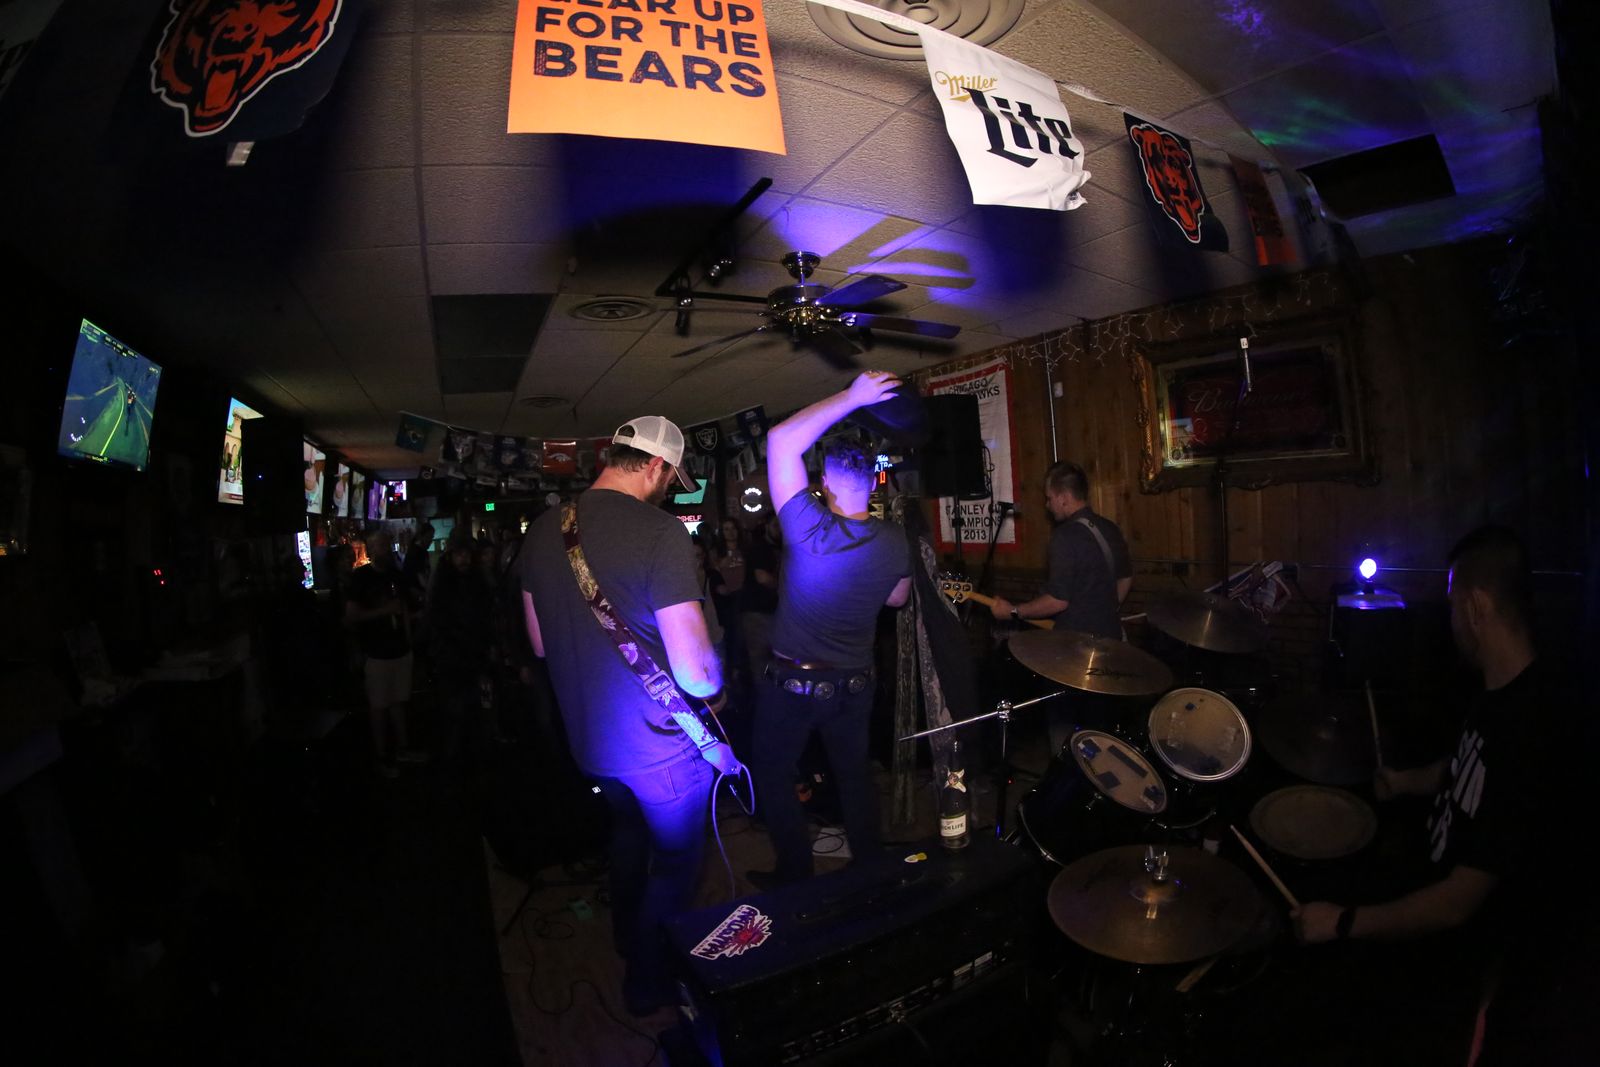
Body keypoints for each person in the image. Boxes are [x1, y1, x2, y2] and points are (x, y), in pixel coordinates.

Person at [1290, 526, 1586, 1065]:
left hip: (1458, 957)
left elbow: (1457, 904)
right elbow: (1466, 765)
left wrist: (1342, 922)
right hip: (1425, 885)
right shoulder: (1502, 691)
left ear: (1476, 607)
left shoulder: (1534, 731)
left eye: (1453, 605)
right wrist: (1408, 781)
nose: (1450, 620)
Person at [519, 415, 739, 1017]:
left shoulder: (545, 527)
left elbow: (539, 642)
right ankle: (646, 982)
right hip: (660, 746)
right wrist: (719, 683)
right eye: (671, 477)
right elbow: (697, 675)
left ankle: (625, 935)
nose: (669, 489)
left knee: (626, 835)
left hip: (591, 745)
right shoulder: (661, 532)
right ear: (656, 466)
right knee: (676, 865)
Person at [747, 371, 912, 889]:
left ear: (822, 483)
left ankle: (796, 876)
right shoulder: (895, 540)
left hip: (793, 686)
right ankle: (870, 869)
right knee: (854, 776)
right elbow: (898, 598)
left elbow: (780, 440)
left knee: (774, 775)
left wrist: (853, 397)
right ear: (871, 483)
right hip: (856, 684)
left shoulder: (808, 526)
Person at [989, 460, 1132, 752]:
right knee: (1102, 728)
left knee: (1065, 730)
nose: (1047, 504)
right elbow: (1126, 577)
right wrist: (1105, 608)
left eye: (1049, 497)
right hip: (1112, 643)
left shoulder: (1065, 537)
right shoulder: (1109, 528)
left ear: (1065, 498)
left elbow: (1058, 600)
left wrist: (1014, 611)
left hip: (1073, 653)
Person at [344, 529, 422, 777]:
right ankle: (381, 757)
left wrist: (409, 641)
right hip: (376, 651)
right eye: (379, 545)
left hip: (399, 648)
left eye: (386, 544)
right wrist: (383, 611)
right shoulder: (360, 578)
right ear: (370, 549)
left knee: (398, 702)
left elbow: (405, 609)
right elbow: (351, 616)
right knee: (379, 707)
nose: (384, 549)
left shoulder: (395, 575)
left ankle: (401, 749)